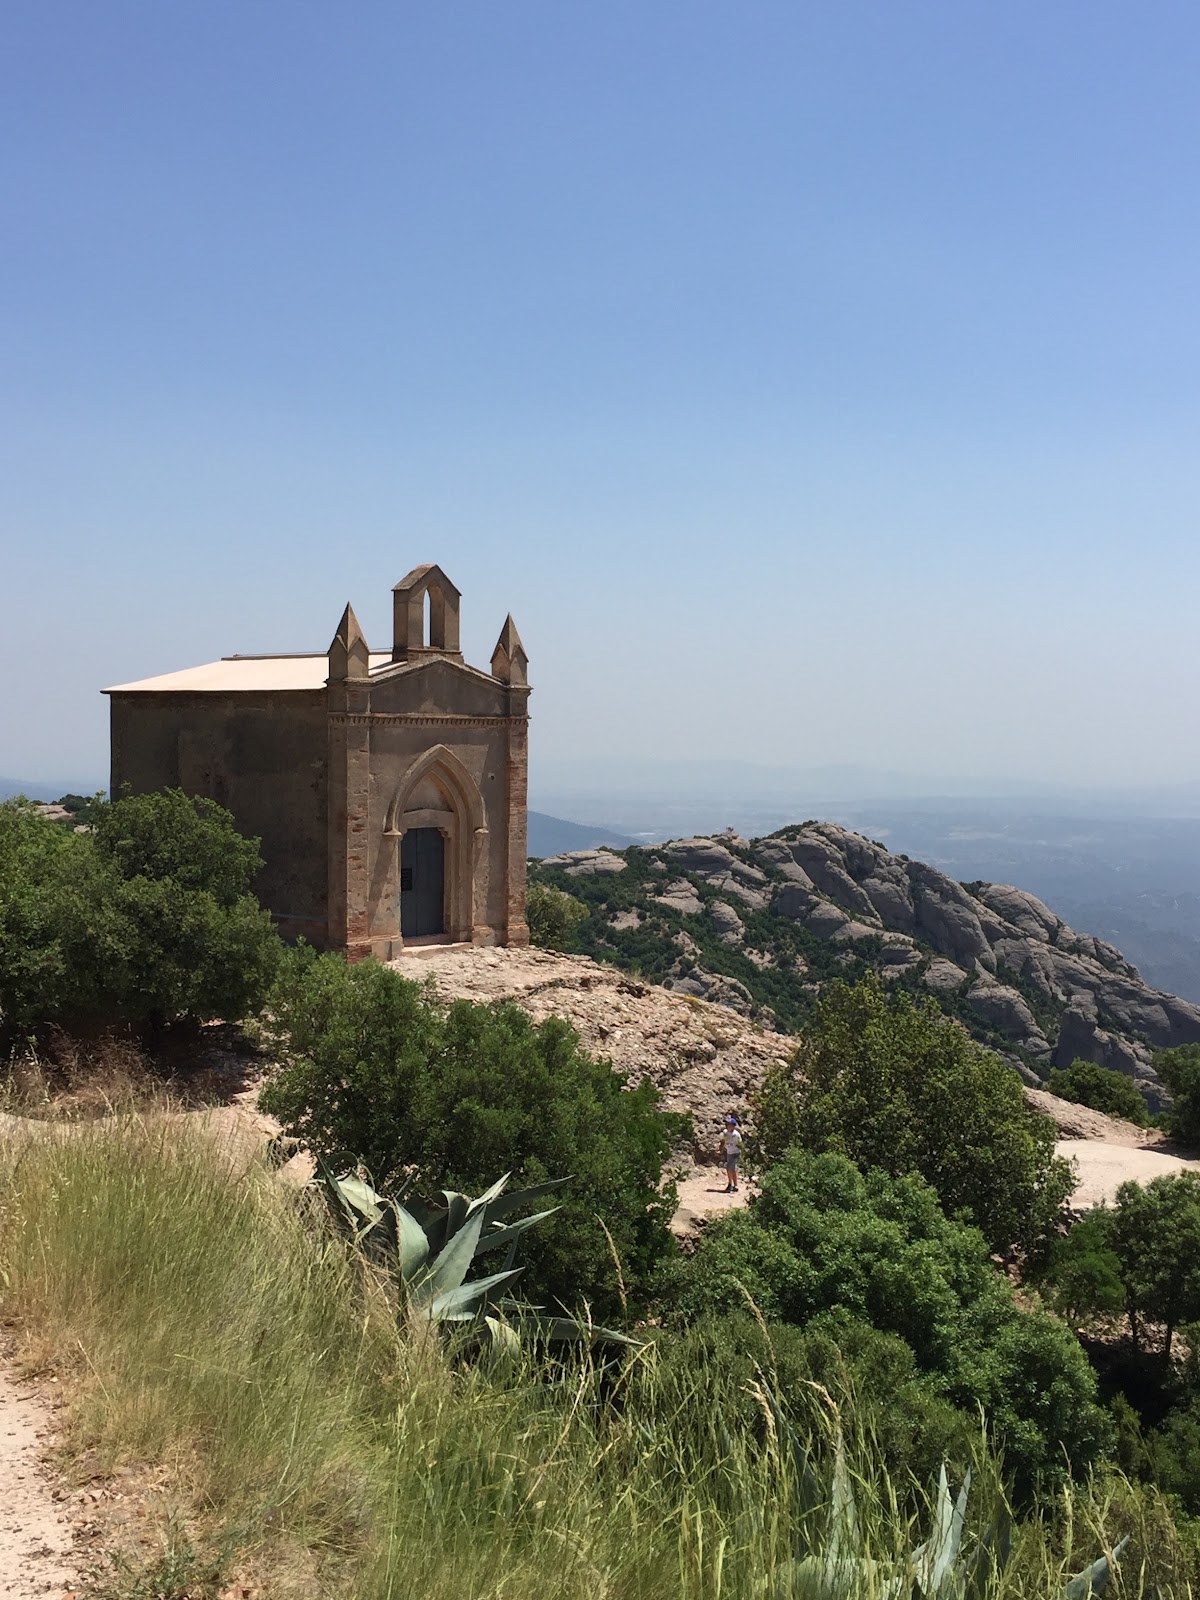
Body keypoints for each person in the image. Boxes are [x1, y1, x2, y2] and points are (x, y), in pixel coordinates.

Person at [721, 1113, 743, 1193]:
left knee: (729, 1168)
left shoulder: (736, 1135)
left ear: (733, 1126)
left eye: (729, 1124)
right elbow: (723, 1140)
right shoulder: (725, 1132)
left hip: (735, 1153)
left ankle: (730, 1184)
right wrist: (721, 1147)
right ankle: (735, 1185)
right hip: (729, 1152)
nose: (727, 1125)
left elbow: (740, 1144)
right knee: (733, 1169)